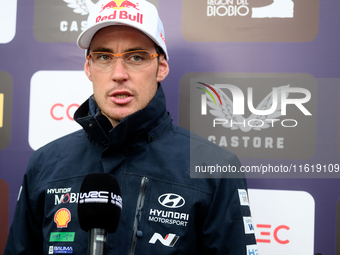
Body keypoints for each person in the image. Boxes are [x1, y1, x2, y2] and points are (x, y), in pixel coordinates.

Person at [5, 0, 257, 254]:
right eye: (104, 57)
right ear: (88, 68)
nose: (118, 73)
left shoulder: (214, 168)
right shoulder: (46, 162)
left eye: (136, 57)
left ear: (161, 68)